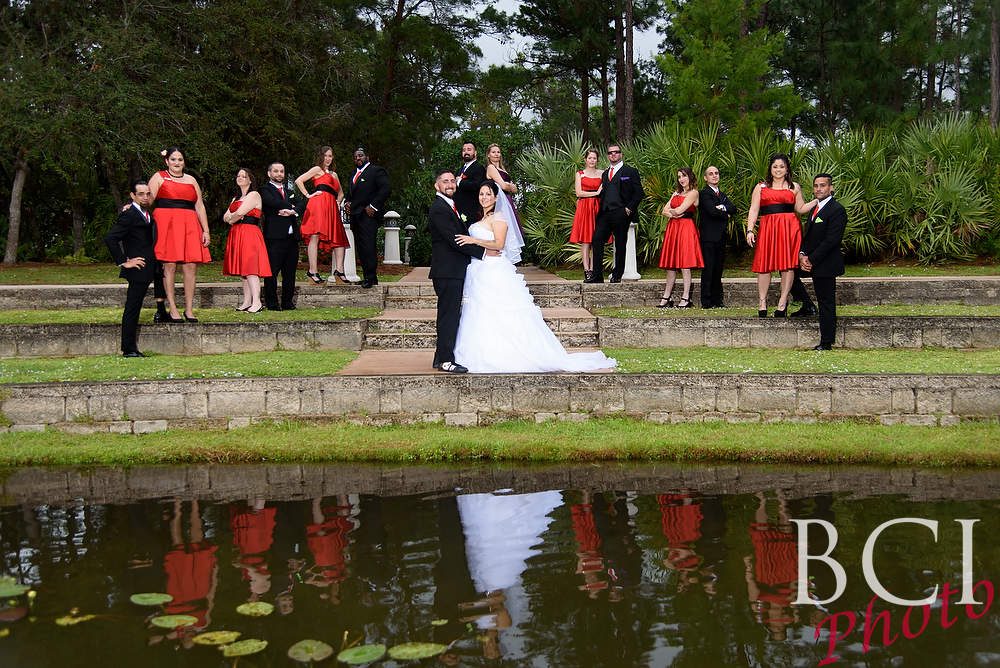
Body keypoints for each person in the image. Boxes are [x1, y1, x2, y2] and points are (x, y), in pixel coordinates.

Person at [453, 181, 617, 373]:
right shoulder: (479, 219)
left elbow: (499, 244)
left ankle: (507, 354)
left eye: (488, 194)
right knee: (479, 311)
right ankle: (477, 351)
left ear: (496, 197)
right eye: (481, 194)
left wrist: (474, 240)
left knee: (501, 311)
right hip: (478, 271)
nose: (484, 198)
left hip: (495, 271)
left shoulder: (499, 217)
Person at [427, 169, 488, 374]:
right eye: (445, 181)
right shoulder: (438, 209)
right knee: (449, 316)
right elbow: (455, 240)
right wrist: (484, 253)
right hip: (447, 271)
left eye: (453, 181)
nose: (450, 184)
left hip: (453, 270)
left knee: (450, 314)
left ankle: (439, 357)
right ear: (437, 185)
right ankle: (446, 361)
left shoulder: (451, 205)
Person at [104, 180, 168, 357]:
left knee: (139, 304)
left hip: (151, 266)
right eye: (141, 194)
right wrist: (124, 261)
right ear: (133, 196)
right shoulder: (130, 214)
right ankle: (128, 348)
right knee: (132, 308)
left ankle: (162, 314)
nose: (145, 197)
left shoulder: (145, 213)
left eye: (148, 193)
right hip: (138, 268)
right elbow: (111, 238)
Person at [148, 147, 211, 323]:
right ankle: (173, 308)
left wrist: (205, 230)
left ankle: (189, 309)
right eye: (173, 159)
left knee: (190, 266)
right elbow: (147, 199)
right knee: (169, 266)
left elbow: (199, 206)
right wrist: (133, 205)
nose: (177, 163)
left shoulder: (191, 180)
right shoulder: (159, 177)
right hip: (166, 225)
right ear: (167, 161)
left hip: (190, 224)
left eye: (180, 159)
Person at [745, 153, 809, 318]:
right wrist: (750, 230)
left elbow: (801, 208)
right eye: (775, 166)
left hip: (789, 229)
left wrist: (819, 201)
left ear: (787, 168)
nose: (778, 169)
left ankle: (782, 303)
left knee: (787, 265)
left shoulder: (794, 187)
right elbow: (753, 210)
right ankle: (762, 302)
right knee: (764, 265)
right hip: (768, 228)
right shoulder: (761, 187)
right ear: (770, 168)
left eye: (782, 166)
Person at [789, 173, 846, 350]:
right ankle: (807, 304)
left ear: (831, 188)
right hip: (809, 261)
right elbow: (809, 236)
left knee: (826, 302)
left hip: (825, 264)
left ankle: (826, 342)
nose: (819, 189)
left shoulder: (837, 210)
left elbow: (831, 240)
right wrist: (802, 254)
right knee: (788, 272)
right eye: (816, 186)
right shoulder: (815, 209)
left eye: (823, 185)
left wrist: (811, 259)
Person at [589, 143, 644, 283]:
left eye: (616, 152)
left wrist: (629, 208)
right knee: (597, 240)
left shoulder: (630, 172)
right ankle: (597, 276)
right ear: (608, 156)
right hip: (605, 213)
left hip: (621, 213)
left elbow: (639, 193)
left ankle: (617, 275)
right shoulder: (605, 173)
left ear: (621, 154)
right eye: (610, 153)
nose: (613, 154)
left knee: (620, 244)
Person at [295, 146, 350, 284]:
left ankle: (339, 271)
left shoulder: (334, 174)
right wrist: (308, 195)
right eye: (325, 155)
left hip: (331, 208)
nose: (328, 158)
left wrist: (338, 203)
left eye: (330, 156)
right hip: (318, 204)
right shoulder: (317, 170)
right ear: (321, 156)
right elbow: (298, 180)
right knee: (315, 235)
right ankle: (312, 272)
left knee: (338, 237)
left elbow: (341, 193)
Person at [222, 168, 271, 313]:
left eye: (244, 176)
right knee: (244, 270)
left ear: (250, 180)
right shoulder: (235, 198)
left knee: (250, 268)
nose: (240, 178)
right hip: (237, 233)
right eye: (238, 176)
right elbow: (226, 217)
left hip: (249, 233)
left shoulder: (254, 194)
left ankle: (257, 302)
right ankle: (246, 301)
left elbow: (239, 213)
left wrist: (233, 217)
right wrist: (232, 217)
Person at [658, 167, 703, 308]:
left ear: (690, 177)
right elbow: (664, 210)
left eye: (684, 176)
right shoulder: (676, 193)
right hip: (673, 228)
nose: (681, 179)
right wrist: (673, 213)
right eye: (679, 177)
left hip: (686, 228)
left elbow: (680, 209)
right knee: (670, 265)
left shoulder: (694, 193)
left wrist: (673, 212)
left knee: (685, 263)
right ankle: (667, 296)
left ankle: (686, 297)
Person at [345, 147, 390, 288]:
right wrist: (347, 202)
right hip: (355, 215)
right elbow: (351, 194)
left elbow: (385, 189)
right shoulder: (353, 174)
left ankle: (370, 278)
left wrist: (373, 206)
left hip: (368, 216)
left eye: (361, 155)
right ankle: (368, 277)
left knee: (368, 246)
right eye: (355, 156)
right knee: (361, 248)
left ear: (367, 157)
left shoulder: (376, 171)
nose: (358, 158)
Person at [260, 161, 300, 311]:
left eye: (281, 171)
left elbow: (302, 203)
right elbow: (272, 202)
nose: (279, 174)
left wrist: (293, 211)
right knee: (272, 272)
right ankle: (271, 303)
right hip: (275, 238)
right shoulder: (265, 189)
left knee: (290, 273)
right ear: (269, 173)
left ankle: (287, 303)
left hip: (292, 238)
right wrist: (292, 207)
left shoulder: (290, 189)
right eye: (275, 171)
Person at [697, 165, 737, 308]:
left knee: (718, 269)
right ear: (705, 178)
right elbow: (711, 211)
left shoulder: (723, 195)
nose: (714, 176)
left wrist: (723, 208)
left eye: (716, 173)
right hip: (708, 237)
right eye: (711, 174)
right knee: (708, 269)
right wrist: (724, 212)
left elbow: (734, 209)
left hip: (721, 237)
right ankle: (706, 302)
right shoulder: (704, 193)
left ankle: (717, 301)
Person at [569, 149, 604, 283]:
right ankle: (587, 270)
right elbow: (579, 193)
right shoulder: (580, 174)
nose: (592, 161)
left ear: (597, 160)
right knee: (586, 241)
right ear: (585, 159)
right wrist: (596, 193)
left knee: (597, 240)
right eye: (589, 158)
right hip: (584, 208)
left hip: (598, 208)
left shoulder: (602, 173)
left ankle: (595, 270)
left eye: (594, 158)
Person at [484, 144, 525, 250]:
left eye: (498, 152)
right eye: (493, 152)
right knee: (502, 226)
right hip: (500, 202)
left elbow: (515, 189)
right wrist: (510, 186)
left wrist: (510, 186)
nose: (496, 154)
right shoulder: (491, 168)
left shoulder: (502, 169)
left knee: (510, 227)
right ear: (488, 155)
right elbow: (503, 186)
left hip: (508, 199)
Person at [454, 141, 487, 223]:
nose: (466, 152)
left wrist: (459, 182)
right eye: (464, 150)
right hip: (458, 211)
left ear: (475, 152)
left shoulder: (479, 168)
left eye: (469, 149)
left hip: (471, 212)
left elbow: (477, 185)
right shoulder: (459, 169)